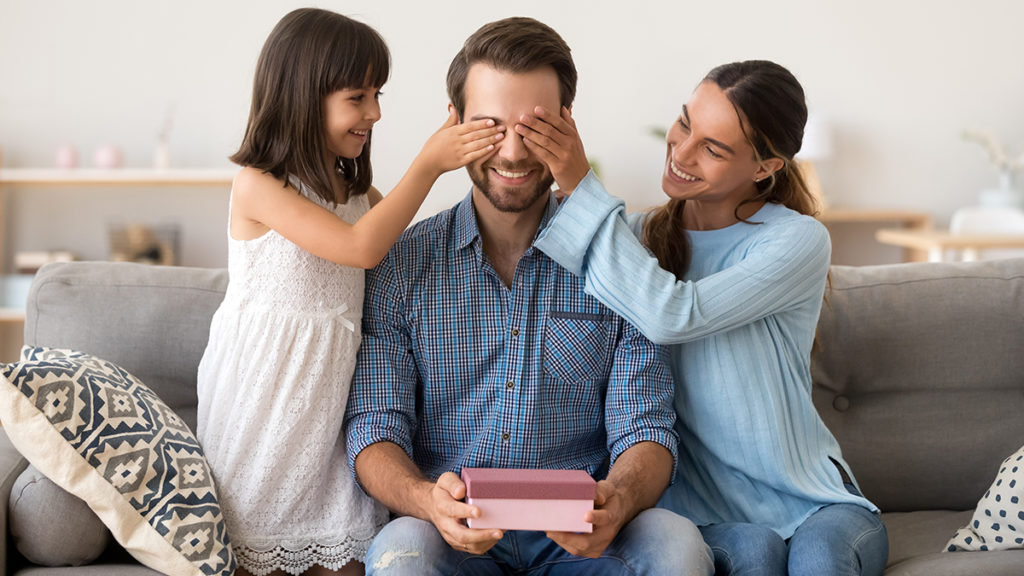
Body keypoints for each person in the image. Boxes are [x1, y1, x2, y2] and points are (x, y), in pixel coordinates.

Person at [344, 17, 713, 576]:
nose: (513, 153)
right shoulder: (402, 264)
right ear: (454, 123)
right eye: (490, 127)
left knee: (678, 547)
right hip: (451, 534)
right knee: (402, 558)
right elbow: (374, 427)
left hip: (583, 537)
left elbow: (647, 428)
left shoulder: (619, 264)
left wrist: (619, 498)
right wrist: (427, 502)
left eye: (535, 128)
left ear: (567, 124)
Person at [520, 60, 889, 576]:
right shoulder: (637, 238)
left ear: (765, 167)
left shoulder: (794, 240)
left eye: (713, 149)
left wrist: (583, 183)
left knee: (818, 561)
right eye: (685, 123)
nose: (682, 151)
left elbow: (673, 313)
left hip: (813, 503)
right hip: (703, 514)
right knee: (753, 555)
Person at [196, 8, 503, 576]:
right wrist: (429, 164)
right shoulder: (259, 186)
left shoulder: (355, 191)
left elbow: (406, 252)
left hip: (325, 419)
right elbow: (361, 248)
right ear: (302, 96)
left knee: (344, 556)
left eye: (378, 94)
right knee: (252, 549)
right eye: (358, 97)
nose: (376, 113)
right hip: (264, 410)